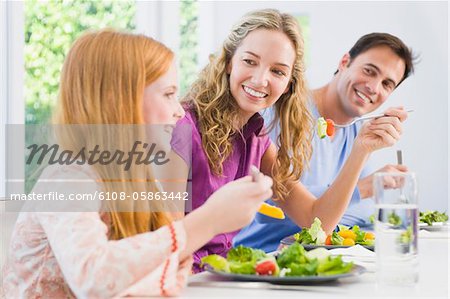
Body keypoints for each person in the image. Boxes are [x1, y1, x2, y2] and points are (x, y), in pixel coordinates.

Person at [1, 30, 273, 298]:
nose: (179, 110)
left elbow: (161, 278)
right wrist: (209, 220)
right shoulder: (66, 178)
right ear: (119, 101)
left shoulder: (138, 179)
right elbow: (93, 277)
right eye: (168, 94)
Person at [171, 9, 408, 272]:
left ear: (288, 84)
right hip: (181, 278)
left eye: (278, 71)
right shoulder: (182, 126)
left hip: (218, 276)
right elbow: (160, 239)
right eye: (250, 61)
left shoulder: (257, 138)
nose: (261, 79)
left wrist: (361, 150)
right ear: (229, 62)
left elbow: (315, 220)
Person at [233, 32, 416, 252]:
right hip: (261, 256)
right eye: (369, 71)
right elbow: (268, 209)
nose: (374, 87)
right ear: (344, 62)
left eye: (387, 84)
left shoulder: (359, 131)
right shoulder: (281, 112)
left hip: (321, 259)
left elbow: (362, 213)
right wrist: (362, 189)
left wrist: (358, 193)